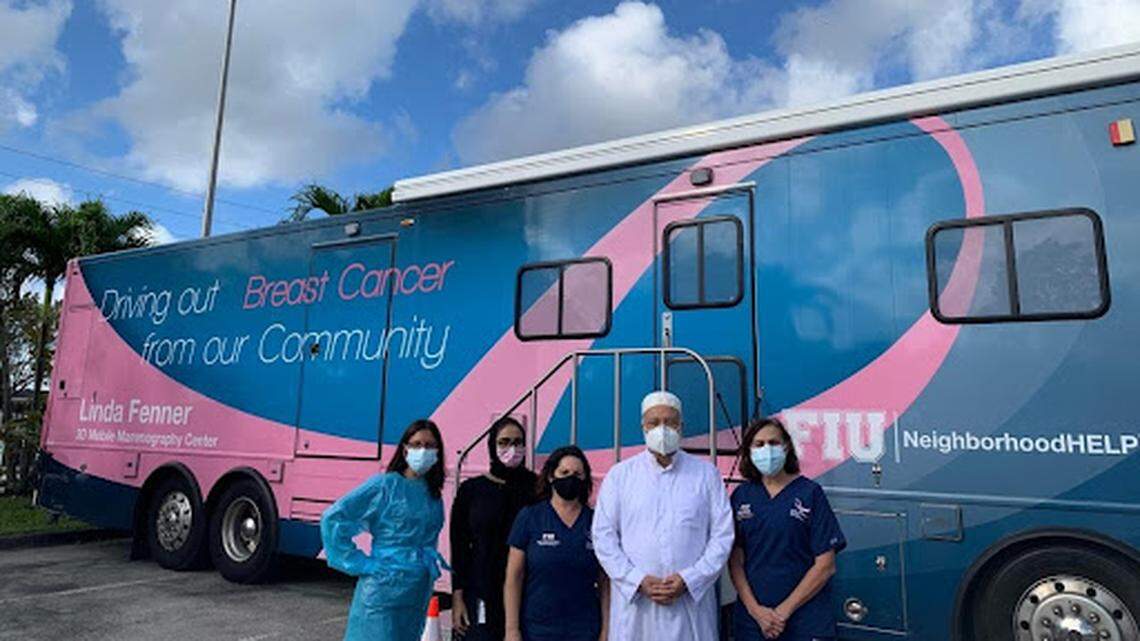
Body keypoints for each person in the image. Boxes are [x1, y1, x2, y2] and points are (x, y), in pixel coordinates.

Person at [592, 390, 735, 640]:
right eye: (654, 422)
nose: (662, 428)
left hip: (690, 606)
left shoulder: (705, 474)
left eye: (670, 422)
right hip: (636, 608)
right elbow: (603, 537)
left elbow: (722, 536)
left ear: (681, 427)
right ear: (643, 427)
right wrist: (636, 580)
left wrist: (690, 579)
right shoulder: (620, 476)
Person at [321, 419, 449, 641]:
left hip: (417, 590)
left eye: (430, 445)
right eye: (417, 444)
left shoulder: (433, 494)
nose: (423, 451)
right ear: (405, 448)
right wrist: (363, 563)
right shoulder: (384, 486)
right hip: (382, 588)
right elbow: (333, 519)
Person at [728, 417, 846, 641]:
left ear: (786, 447)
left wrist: (782, 612)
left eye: (774, 443)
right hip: (753, 622)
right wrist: (756, 611)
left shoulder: (810, 493)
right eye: (759, 444)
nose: (767, 449)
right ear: (749, 451)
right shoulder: (742, 496)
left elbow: (825, 565)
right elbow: (735, 561)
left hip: (805, 620)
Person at [504, 445, 610, 641]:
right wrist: (512, 629)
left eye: (578, 474)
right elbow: (514, 576)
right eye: (564, 472)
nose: (571, 478)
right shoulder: (530, 517)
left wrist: (606, 630)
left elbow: (605, 581)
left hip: (585, 630)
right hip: (537, 630)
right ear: (552, 476)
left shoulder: (597, 522)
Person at [450, 416, 538, 640]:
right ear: (492, 445)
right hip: (482, 589)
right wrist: (457, 597)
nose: (512, 448)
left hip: (527, 589)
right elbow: (459, 546)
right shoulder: (471, 490)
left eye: (518, 442)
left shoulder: (537, 488)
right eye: (504, 442)